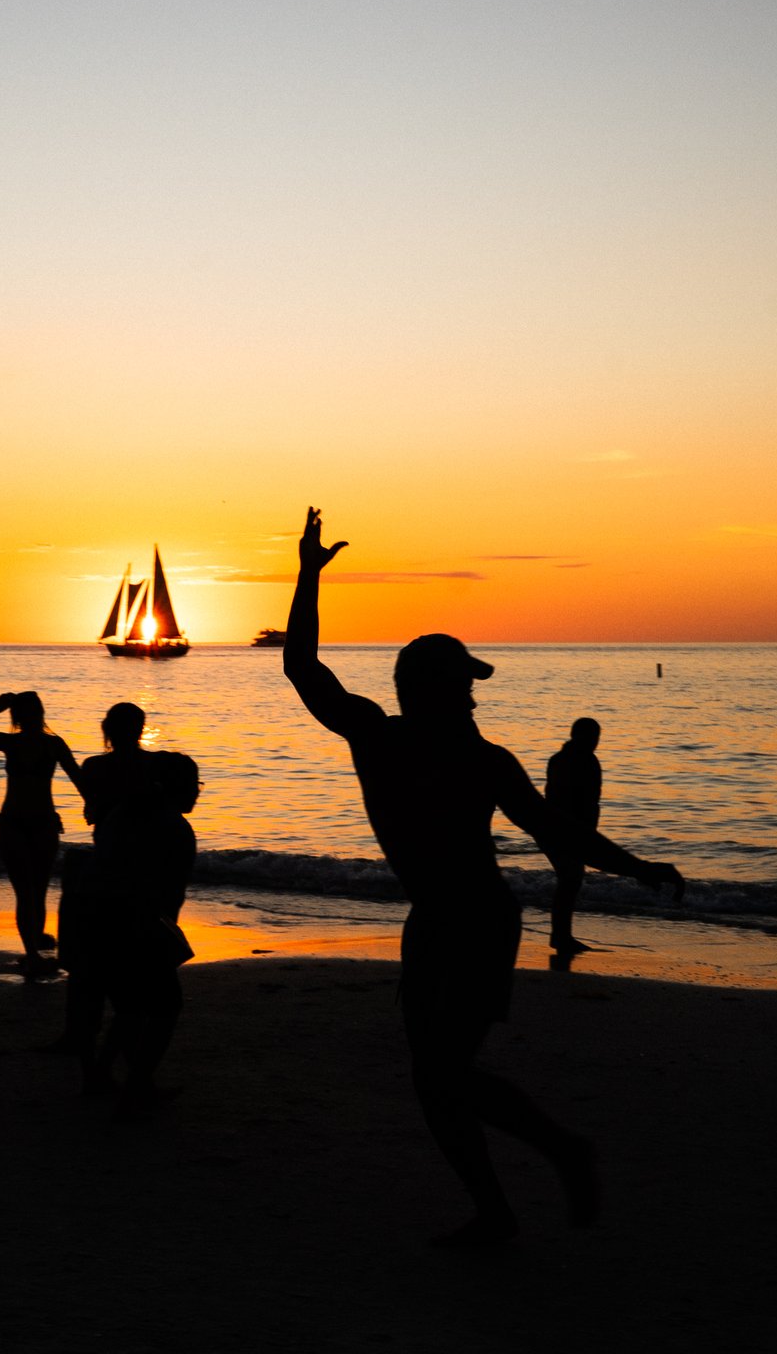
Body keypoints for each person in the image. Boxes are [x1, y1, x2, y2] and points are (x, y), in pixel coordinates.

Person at [281, 507, 685, 1246]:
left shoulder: (438, 749)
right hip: (444, 920)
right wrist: (307, 575)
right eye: (463, 682)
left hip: (471, 920)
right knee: (436, 1073)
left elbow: (555, 829)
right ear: (425, 686)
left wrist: (634, 866)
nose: (474, 694)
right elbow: (302, 668)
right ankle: (498, 1208)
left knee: (441, 1074)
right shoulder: (396, 738)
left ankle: (553, 1157)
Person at [73, 707, 200, 1114]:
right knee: (165, 1006)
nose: (198, 792)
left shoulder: (121, 816)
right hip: (137, 924)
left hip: (97, 917)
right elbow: (170, 898)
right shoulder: (174, 828)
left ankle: (101, 1075)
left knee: (128, 1007)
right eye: (195, 785)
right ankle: (137, 1086)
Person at [0, 690, 82, 979]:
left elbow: (79, 779)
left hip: (39, 824)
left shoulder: (49, 744)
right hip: (17, 824)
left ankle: (32, 950)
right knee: (29, 892)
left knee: (34, 892)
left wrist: (98, 808)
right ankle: (31, 952)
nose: (28, 718)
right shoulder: (15, 742)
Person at [543, 718, 603, 953]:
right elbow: (583, 802)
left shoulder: (562, 759)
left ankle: (561, 935)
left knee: (570, 879)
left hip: (562, 829)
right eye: (593, 737)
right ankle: (560, 936)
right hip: (565, 830)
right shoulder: (582, 761)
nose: (595, 742)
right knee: (570, 879)